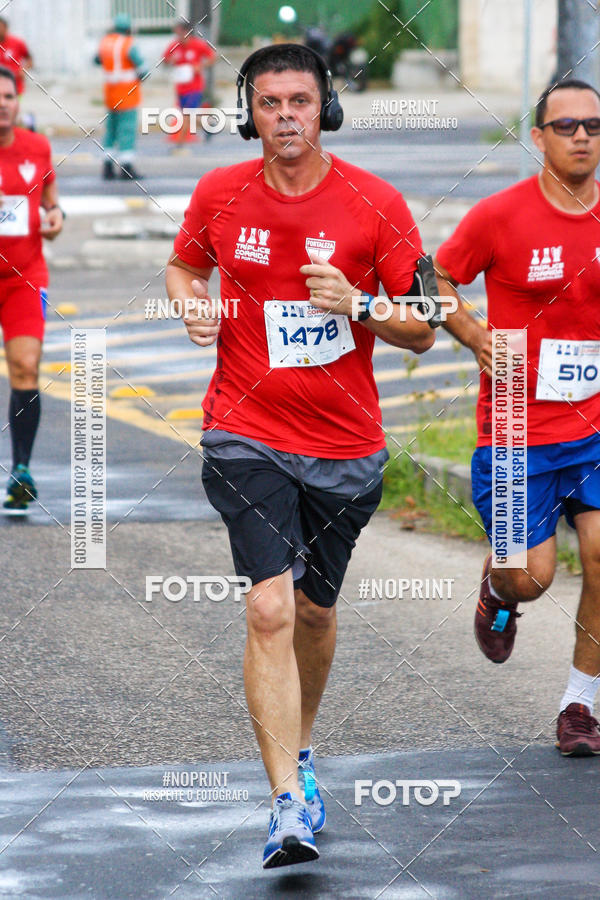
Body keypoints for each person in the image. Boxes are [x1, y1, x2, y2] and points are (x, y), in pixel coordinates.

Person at [166, 43, 435, 868]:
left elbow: (422, 326)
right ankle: (285, 806)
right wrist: (193, 308)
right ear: (250, 110)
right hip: (244, 434)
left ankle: (304, 752)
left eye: (302, 102)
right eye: (272, 102)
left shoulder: (375, 203)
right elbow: (182, 267)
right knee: (269, 608)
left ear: (327, 110)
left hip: (347, 448)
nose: (287, 116)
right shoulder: (220, 193)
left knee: (315, 614)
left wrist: (358, 304)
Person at [434, 79, 600, 756]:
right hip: (514, 432)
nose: (582, 136)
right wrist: (475, 334)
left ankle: (580, 705)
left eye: (593, 124)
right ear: (538, 139)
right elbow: (434, 278)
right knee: (529, 576)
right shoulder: (500, 216)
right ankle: (496, 592)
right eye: (566, 127)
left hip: (593, 428)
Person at [0, 66, 63, 513]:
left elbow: (50, 204)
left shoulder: (37, 147)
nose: (2, 103)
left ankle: (21, 470)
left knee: (25, 366)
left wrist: (57, 218)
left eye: (8, 96)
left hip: (24, 277)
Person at [96, 13, 146, 180]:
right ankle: (126, 167)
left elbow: (97, 60)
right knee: (127, 130)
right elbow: (143, 69)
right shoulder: (128, 44)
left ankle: (107, 166)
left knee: (111, 130)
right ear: (128, 28)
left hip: (110, 94)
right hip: (127, 94)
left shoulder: (105, 43)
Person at [162, 17, 216, 147]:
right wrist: (171, 61)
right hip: (181, 86)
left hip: (194, 87)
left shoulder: (197, 45)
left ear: (186, 32)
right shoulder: (174, 45)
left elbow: (212, 57)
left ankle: (180, 144)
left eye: (179, 32)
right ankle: (208, 125)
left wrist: (200, 66)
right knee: (187, 114)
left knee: (187, 115)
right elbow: (164, 60)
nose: (178, 36)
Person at [0, 17, 32, 97]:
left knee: (11, 108)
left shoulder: (17, 43)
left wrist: (23, 70)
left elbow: (29, 60)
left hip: (15, 87)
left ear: (6, 28)